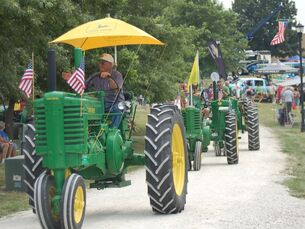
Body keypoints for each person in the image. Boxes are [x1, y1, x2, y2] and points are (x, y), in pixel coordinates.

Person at [85, 53, 125, 128]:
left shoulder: (117, 75)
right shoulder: (95, 76)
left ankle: (113, 132)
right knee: (85, 109)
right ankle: (90, 131)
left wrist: (109, 78)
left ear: (111, 65)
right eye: (99, 63)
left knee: (119, 108)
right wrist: (71, 79)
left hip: (114, 103)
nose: (100, 65)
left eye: (103, 63)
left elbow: (116, 90)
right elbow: (83, 86)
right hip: (100, 104)